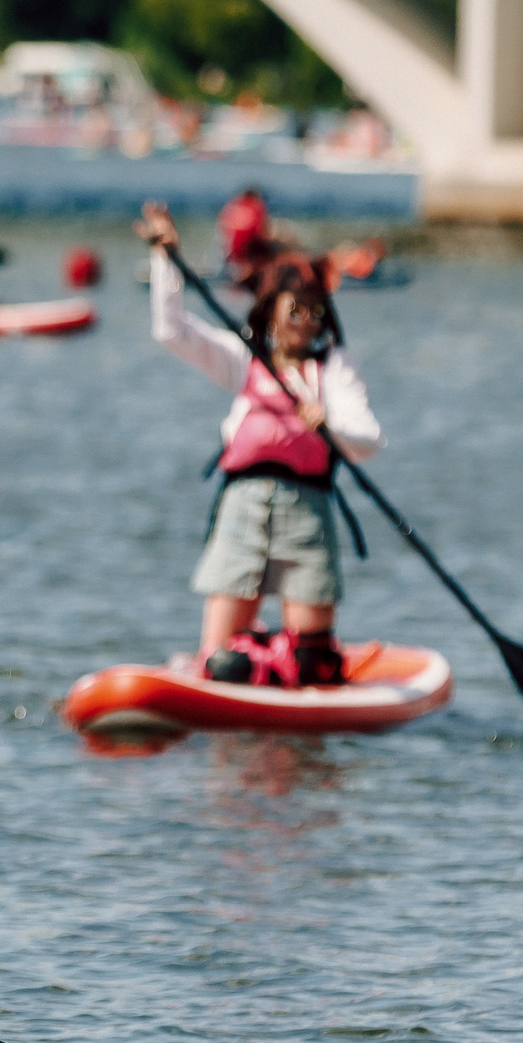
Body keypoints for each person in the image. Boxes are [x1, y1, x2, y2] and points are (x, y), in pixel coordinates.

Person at [137, 201, 383, 687]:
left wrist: (328, 425)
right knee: (220, 660)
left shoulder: (333, 370)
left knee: (315, 665)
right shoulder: (243, 359)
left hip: (308, 515)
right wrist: (167, 260)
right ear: (273, 311)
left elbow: (368, 441)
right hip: (243, 509)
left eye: (315, 311)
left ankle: (290, 664)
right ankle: (244, 668)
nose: (306, 322)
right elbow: (171, 330)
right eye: (296, 310)